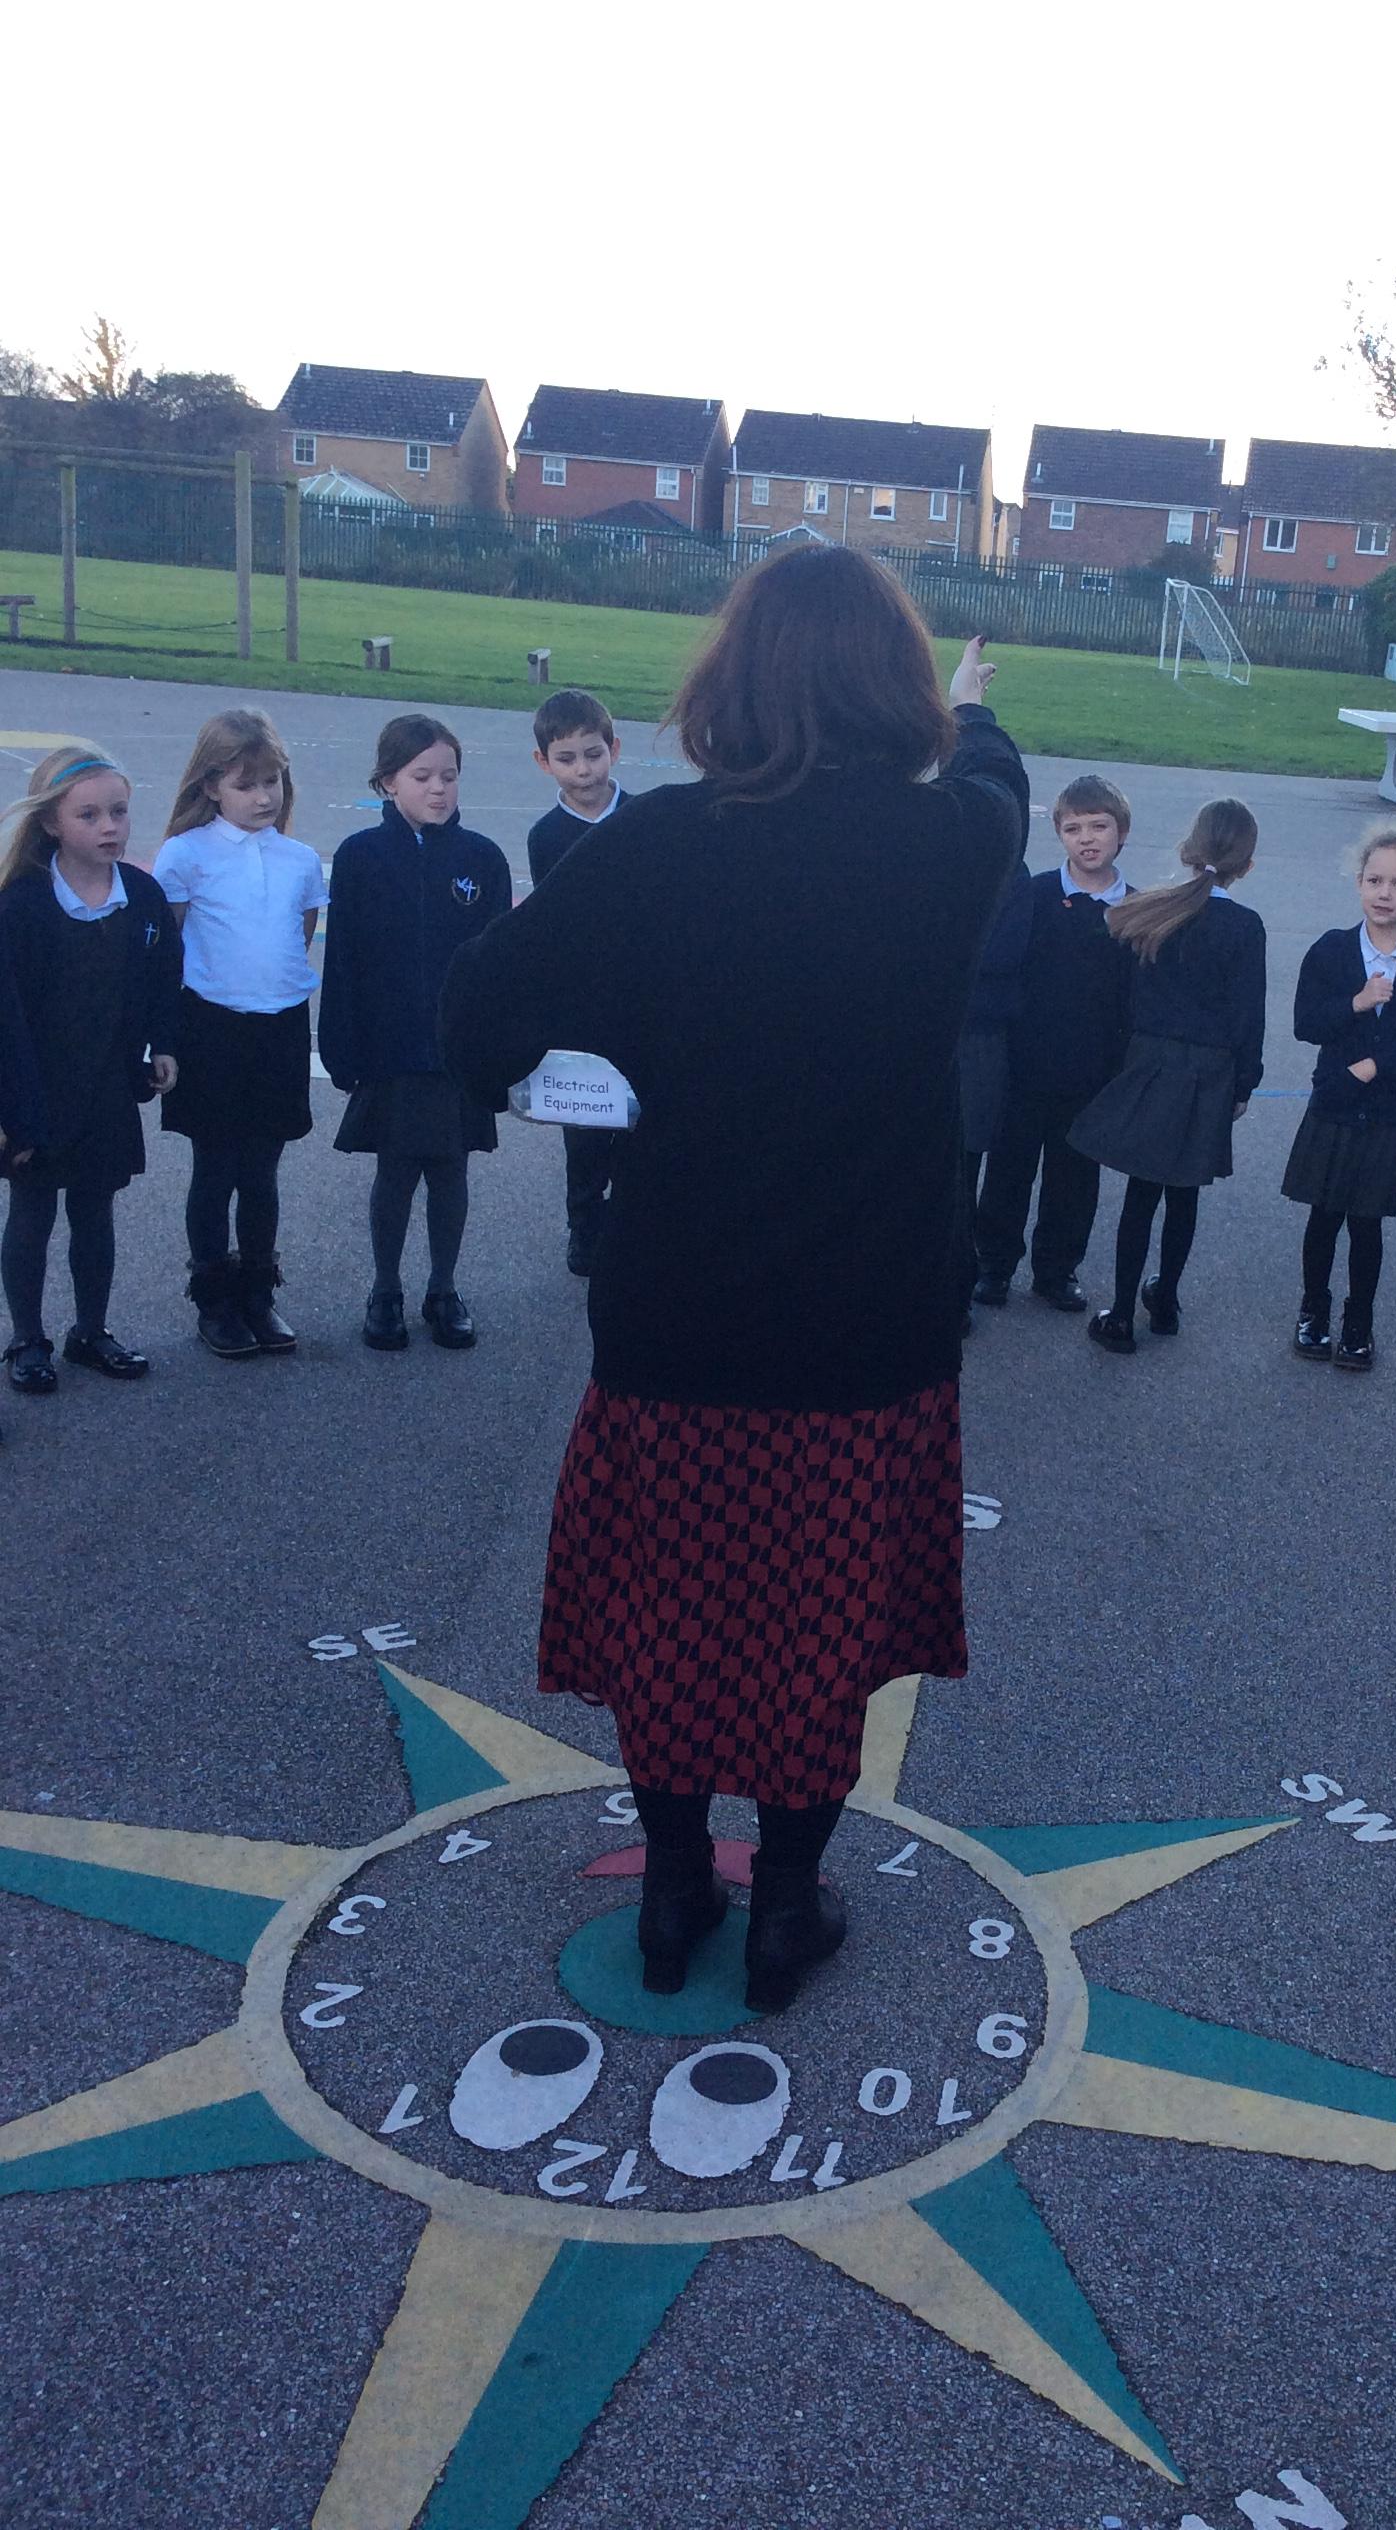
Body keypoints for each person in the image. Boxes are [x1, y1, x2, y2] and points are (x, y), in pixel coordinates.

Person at [441, 555, 1028, 2014]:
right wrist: (968, 706)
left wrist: (597, 1078)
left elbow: (478, 1008)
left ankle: (673, 1890)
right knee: (821, 1626)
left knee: (673, 1618)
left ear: (735, 680)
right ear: (895, 688)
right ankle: (785, 1906)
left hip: (680, 1306)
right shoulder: (954, 841)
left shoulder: (656, 842)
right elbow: (992, 776)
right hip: (869, 1318)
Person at [317, 715, 512, 1352]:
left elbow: (498, 966)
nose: (437, 788)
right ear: (386, 782)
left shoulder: (482, 858)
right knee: (396, 1170)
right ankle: (385, 1290)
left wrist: (496, 1045)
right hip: (390, 1046)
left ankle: (443, 1288)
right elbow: (342, 959)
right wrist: (340, 1044)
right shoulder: (360, 857)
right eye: (421, 776)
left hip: (456, 1051)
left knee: (451, 1170)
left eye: (448, 776)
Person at [0, 746, 180, 1395]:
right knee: (32, 1213)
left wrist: (164, 1045)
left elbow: (164, 979)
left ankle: (90, 1330)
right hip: (36, 1090)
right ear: (51, 822)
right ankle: (27, 1338)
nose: (109, 827)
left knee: (95, 1210)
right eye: (89, 815)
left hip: (106, 1085)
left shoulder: (143, 896)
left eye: (119, 812)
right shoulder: (21, 904)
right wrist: (9, 1110)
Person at [153, 709, 329, 1359]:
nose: (263, 797)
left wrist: (268, 992)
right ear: (210, 786)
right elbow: (166, 949)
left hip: (279, 1026)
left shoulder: (299, 860)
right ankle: (214, 1299)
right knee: (216, 1167)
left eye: (271, 782)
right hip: (211, 1027)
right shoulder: (186, 854)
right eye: (245, 785)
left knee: (261, 1170)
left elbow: (299, 935)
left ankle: (258, 1292)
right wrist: (163, 1037)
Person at [1069, 799, 1265, 1354]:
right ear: (1246, 864)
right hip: (1209, 1070)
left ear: (1190, 848)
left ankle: (1120, 1313)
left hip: (1152, 1061)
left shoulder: (1153, 910)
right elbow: (1248, 1016)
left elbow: (1126, 997)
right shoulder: (1245, 927)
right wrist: (1244, 1083)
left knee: (1142, 1192)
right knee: (1184, 1192)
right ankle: (1167, 1300)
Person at [1284, 824, 1396, 1375]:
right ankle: (1313, 1310)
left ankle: (1359, 1322)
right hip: (1333, 1103)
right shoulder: (1331, 950)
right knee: (1324, 1215)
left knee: (1367, 1222)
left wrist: (1374, 1066)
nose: (1385, 893)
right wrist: (1355, 1002)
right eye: (1375, 880)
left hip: (1387, 1112)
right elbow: (1306, 1023)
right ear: (1359, 882)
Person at [972, 774, 1134, 1313]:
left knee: (1075, 1177)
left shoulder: (1134, 910)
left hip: (1092, 1071)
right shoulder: (1036, 895)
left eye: (1099, 826)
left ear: (1121, 832)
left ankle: (1057, 1270)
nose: (1087, 838)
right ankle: (993, 1265)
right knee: (1009, 1170)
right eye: (1073, 828)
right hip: (1025, 1064)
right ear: (1059, 834)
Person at [526, 687, 634, 1277]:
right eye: (566, 759)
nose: (583, 769)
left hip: (644, 998)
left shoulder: (642, 817)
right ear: (544, 762)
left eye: (593, 754)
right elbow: (552, 924)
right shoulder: (547, 836)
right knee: (587, 1123)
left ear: (613, 749)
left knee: (642, 1118)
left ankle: (636, 1219)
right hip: (582, 1004)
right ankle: (584, 1225)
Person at [957, 856, 1033, 1335]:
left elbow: (1004, 954)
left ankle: (958, 1286)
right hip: (920, 1032)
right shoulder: (918, 859)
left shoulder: (1012, 876)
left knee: (964, 1164)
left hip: (977, 1033)